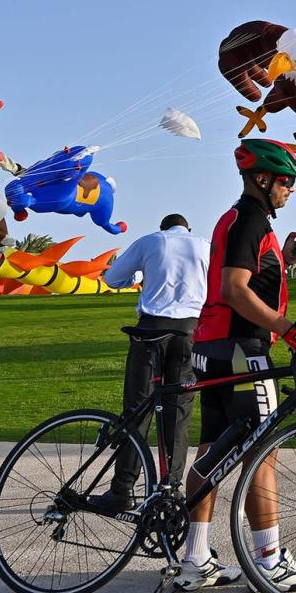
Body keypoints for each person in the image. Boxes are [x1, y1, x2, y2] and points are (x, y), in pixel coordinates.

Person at [174, 139, 296, 593]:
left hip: (214, 346)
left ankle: (195, 559)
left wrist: (288, 259)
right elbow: (236, 289)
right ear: (263, 179)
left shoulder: (238, 218)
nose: (291, 190)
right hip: (243, 348)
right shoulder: (252, 220)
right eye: (286, 181)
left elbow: (244, 278)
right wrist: (288, 327)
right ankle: (271, 562)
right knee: (263, 454)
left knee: (212, 454)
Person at [88, 214, 209, 515]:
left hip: (152, 329)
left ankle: (123, 489)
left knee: (137, 410)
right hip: (190, 330)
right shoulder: (205, 246)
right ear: (188, 229)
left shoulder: (150, 242)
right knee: (178, 412)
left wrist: (139, 277)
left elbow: (113, 278)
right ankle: (171, 489)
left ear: (163, 229)